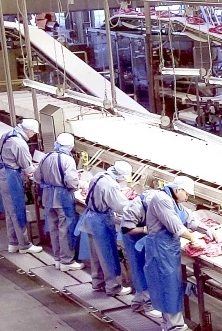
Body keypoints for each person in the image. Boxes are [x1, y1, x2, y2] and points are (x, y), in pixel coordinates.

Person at [141, 176, 203, 331]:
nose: (188, 198)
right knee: (168, 286)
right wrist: (193, 238)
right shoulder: (161, 199)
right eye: (187, 194)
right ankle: (172, 330)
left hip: (169, 248)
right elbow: (175, 225)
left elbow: (188, 218)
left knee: (173, 285)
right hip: (161, 248)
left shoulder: (173, 201)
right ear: (178, 190)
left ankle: (172, 323)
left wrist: (206, 230)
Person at [79, 160, 133, 297]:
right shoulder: (111, 185)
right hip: (101, 222)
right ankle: (113, 287)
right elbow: (121, 206)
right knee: (108, 255)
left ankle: (98, 283)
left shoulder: (99, 175)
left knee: (96, 255)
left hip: (90, 218)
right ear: (121, 176)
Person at [0, 119, 42, 254]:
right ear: (29, 131)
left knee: (9, 211)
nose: (34, 135)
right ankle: (24, 245)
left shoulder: (8, 134)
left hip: (1, 175)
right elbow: (28, 169)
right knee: (18, 211)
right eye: (34, 133)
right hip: (11, 178)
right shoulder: (20, 144)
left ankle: (13, 243)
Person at [34, 132, 80, 270]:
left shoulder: (46, 157)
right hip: (62, 198)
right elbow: (71, 181)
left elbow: (37, 177)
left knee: (53, 228)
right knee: (65, 229)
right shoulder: (68, 160)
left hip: (47, 197)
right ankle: (67, 261)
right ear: (70, 146)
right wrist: (78, 185)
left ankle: (58, 258)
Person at [120, 190, 161, 319]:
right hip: (133, 238)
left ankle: (137, 303)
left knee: (146, 269)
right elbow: (126, 229)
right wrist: (145, 229)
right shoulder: (135, 208)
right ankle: (149, 306)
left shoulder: (158, 199)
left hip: (145, 238)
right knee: (140, 269)